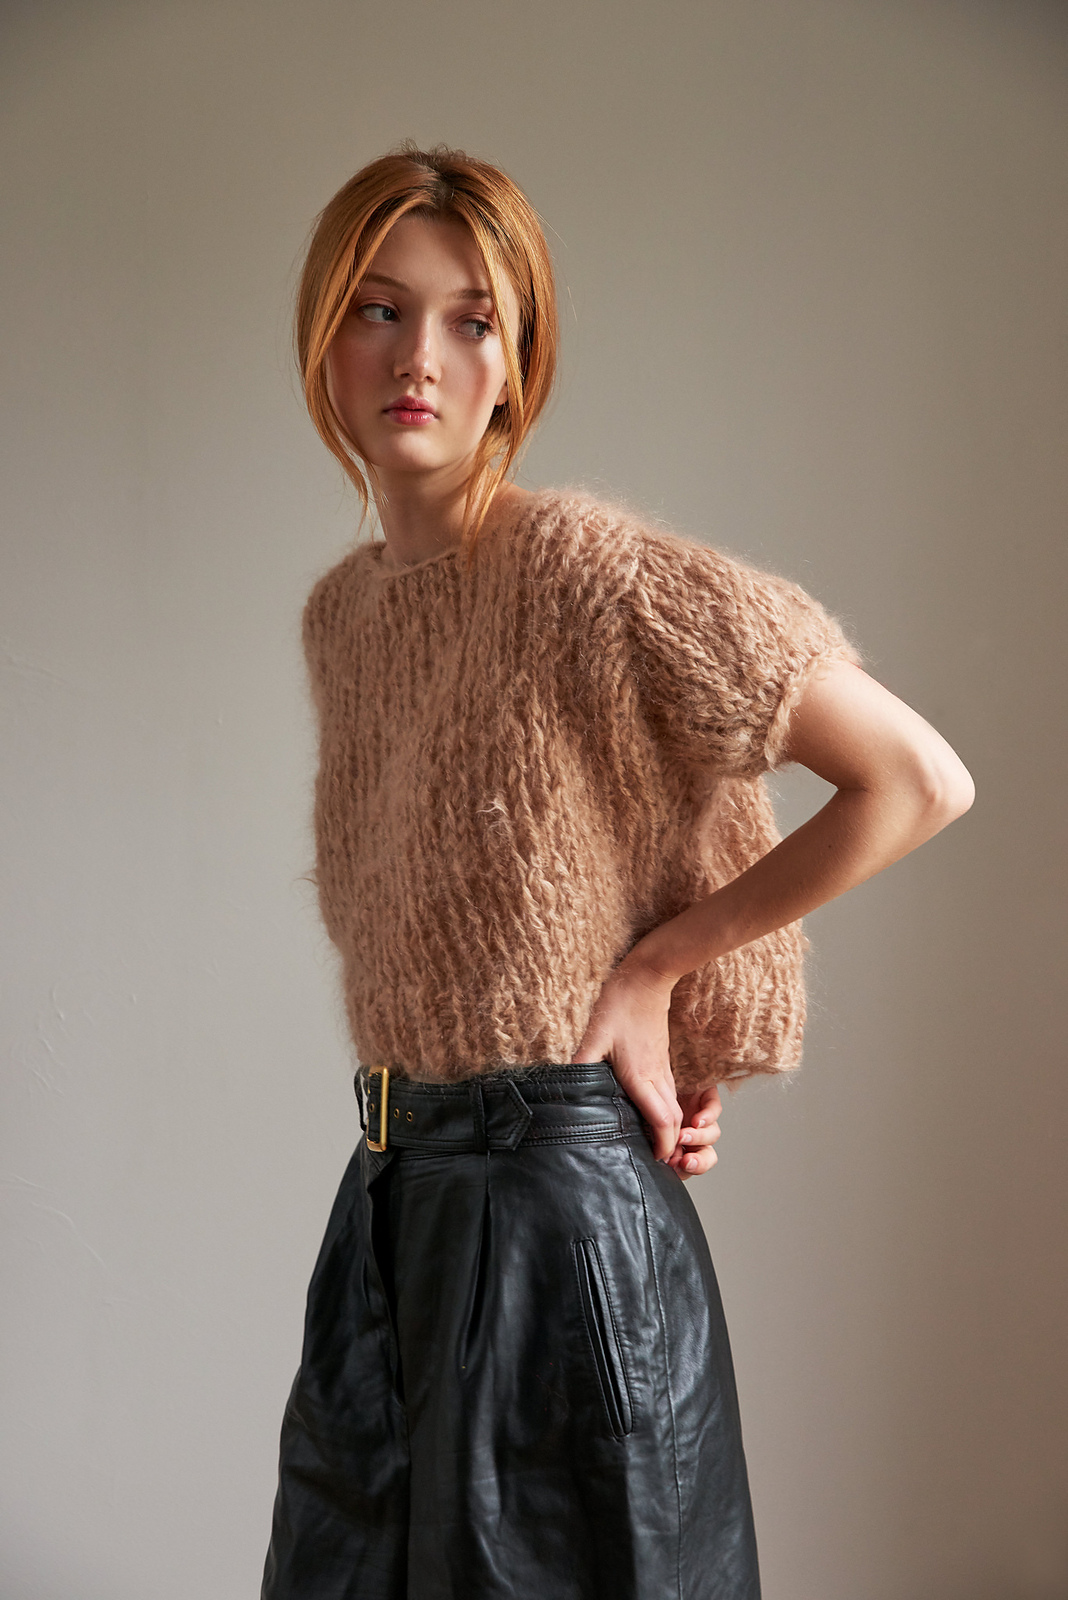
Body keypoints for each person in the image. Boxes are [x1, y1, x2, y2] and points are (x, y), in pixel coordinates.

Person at [260, 144, 974, 1600]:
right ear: (323, 333)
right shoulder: (345, 618)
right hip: (391, 1216)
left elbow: (915, 779)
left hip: (555, 1220)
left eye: (473, 320)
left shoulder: (587, 571)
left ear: (518, 366)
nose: (420, 357)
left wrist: (662, 973)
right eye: (380, 308)